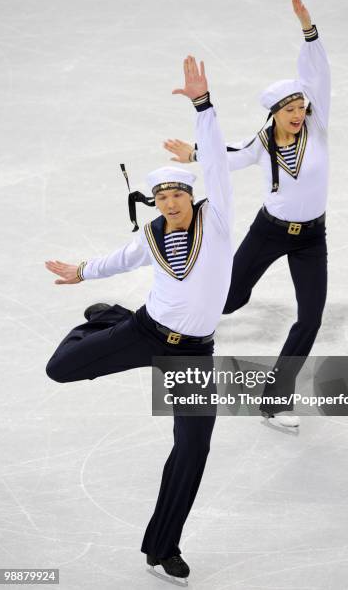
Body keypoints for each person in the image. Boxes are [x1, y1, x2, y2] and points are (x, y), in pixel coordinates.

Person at [45, 56, 233, 584]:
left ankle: (163, 547)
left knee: (192, 451)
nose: (169, 202)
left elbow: (216, 161)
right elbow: (117, 259)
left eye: (177, 194)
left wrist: (203, 105)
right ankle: (107, 319)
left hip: (192, 354)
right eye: (161, 197)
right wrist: (81, 271)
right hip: (143, 332)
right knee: (59, 369)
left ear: (191, 198)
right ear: (153, 202)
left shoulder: (216, 221)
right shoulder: (151, 236)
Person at [163, 0, 331, 428]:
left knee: (310, 318)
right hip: (270, 230)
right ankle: (157, 325)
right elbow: (229, 155)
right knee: (231, 297)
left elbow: (319, 75)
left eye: (302, 106)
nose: (299, 113)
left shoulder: (317, 129)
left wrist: (308, 31)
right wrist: (196, 152)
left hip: (312, 237)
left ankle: (275, 399)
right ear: (274, 113)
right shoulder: (261, 142)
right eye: (290, 108)